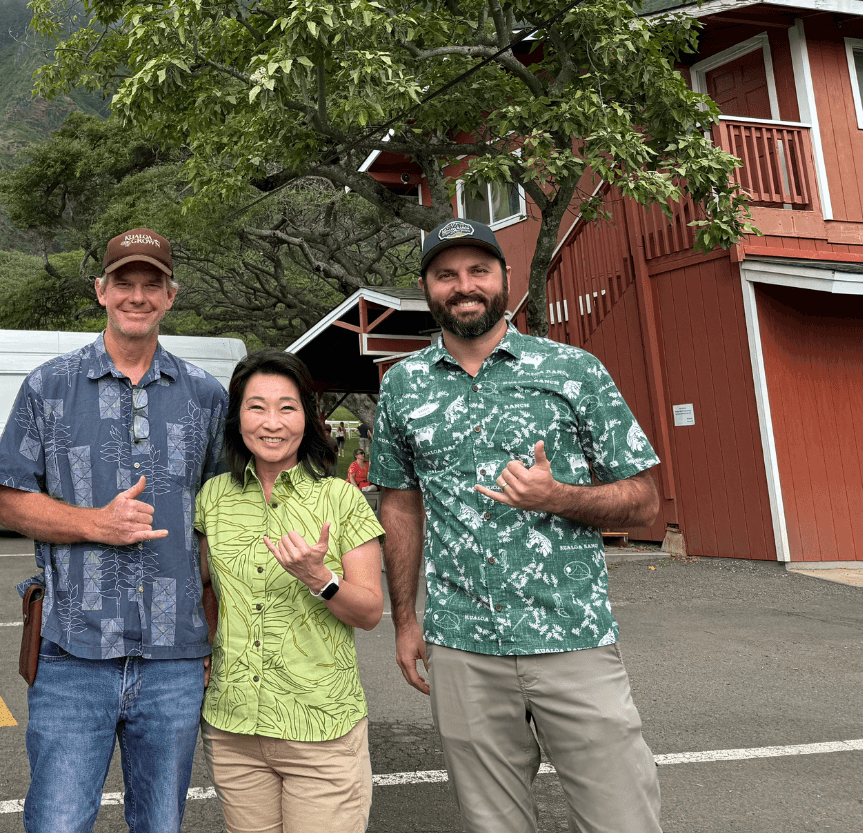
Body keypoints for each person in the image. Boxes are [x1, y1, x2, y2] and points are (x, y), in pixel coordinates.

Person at [368, 218, 664, 833]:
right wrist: (405, 619)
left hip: (572, 636)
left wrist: (557, 495)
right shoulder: (401, 385)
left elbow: (643, 501)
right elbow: (398, 504)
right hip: (462, 644)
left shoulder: (573, 370)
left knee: (622, 819)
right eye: (446, 275)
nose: (463, 285)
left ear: (504, 279)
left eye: (479, 270)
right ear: (428, 289)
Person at [0, 228, 230, 833]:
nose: (138, 296)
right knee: (58, 823)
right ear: (101, 291)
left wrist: (215, 630)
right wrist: (96, 523)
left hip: (175, 659)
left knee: (161, 824)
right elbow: (11, 501)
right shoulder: (50, 386)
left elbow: (223, 520)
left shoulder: (205, 395)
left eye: (153, 285)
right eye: (125, 282)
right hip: (73, 652)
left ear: (171, 297)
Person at [195, 350, 384, 833]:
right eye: (256, 407)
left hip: (321, 730)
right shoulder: (213, 497)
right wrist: (204, 650)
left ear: (309, 416)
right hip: (233, 728)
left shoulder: (341, 498)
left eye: (288, 407)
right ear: (237, 417)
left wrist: (319, 579)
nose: (272, 423)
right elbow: (206, 590)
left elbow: (368, 612)